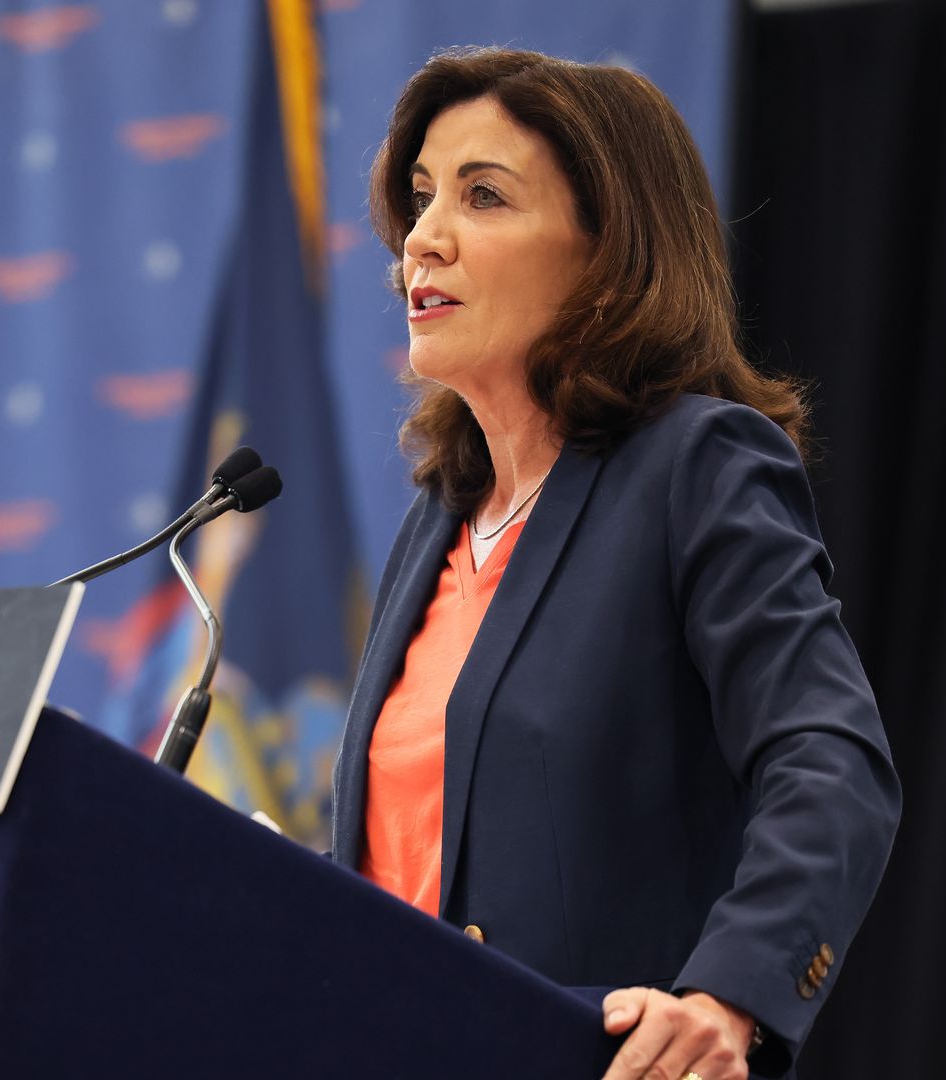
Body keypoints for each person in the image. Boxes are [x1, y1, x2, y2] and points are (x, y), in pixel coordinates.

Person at [327, 48, 900, 1080]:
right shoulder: (440, 520)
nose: (423, 240)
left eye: (483, 197)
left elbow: (832, 764)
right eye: (418, 202)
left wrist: (732, 996)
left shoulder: (696, 467)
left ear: (607, 251)